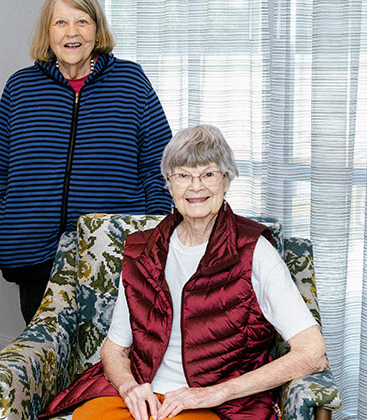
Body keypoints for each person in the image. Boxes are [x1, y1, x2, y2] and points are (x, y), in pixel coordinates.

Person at [42, 124, 328, 420]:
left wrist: (213, 393)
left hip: (213, 406)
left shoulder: (254, 251)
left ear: (227, 180)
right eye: (183, 175)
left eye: (208, 174)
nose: (195, 187)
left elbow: (311, 352)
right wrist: (129, 387)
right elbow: (113, 349)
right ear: (168, 183)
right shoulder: (144, 251)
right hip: (142, 397)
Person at [0, 0, 173, 324]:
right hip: (34, 256)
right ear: (48, 32)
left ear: (97, 31)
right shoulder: (21, 88)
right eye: (61, 23)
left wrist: (150, 229)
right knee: (50, 360)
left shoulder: (130, 81)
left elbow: (161, 166)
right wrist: (10, 224)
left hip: (115, 252)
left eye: (82, 22)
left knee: (114, 360)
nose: (72, 33)